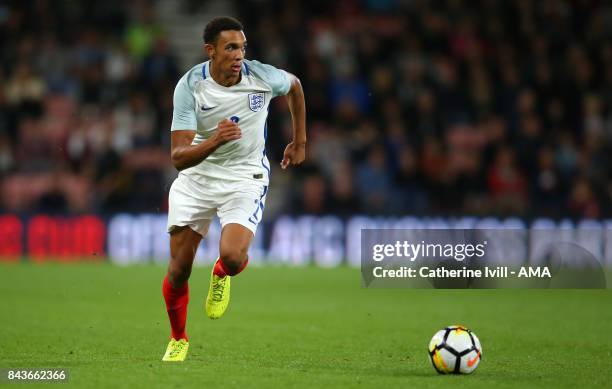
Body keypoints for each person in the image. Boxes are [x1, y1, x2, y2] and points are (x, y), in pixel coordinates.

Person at [161, 16, 306, 361]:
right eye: (230, 47)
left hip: (245, 177)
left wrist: (299, 141)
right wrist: (214, 141)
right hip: (197, 177)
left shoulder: (262, 76)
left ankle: (221, 274)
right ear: (210, 51)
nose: (239, 54)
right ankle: (178, 338)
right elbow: (178, 158)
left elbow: (296, 86)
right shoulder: (189, 86)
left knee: (233, 256)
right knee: (178, 270)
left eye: (242, 47)